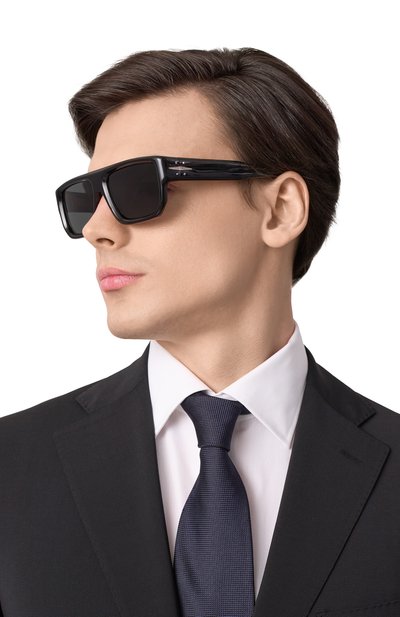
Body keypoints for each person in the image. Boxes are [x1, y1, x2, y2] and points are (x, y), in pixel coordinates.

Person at [0, 47, 399, 617]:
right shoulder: (11, 467)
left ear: (280, 209)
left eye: (140, 187)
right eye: (89, 198)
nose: (97, 230)